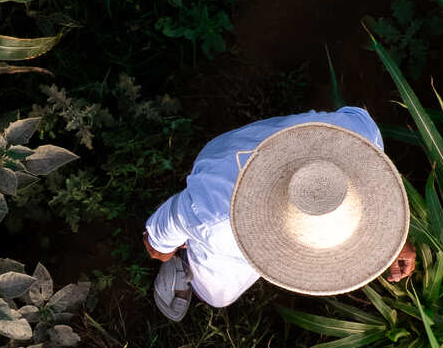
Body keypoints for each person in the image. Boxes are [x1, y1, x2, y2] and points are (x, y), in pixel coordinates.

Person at [144, 108, 416, 320]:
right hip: (216, 171)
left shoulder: (360, 136)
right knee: (217, 295)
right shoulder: (219, 220)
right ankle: (186, 259)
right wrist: (162, 247)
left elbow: (355, 114)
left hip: (251, 145)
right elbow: (163, 231)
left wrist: (393, 242)